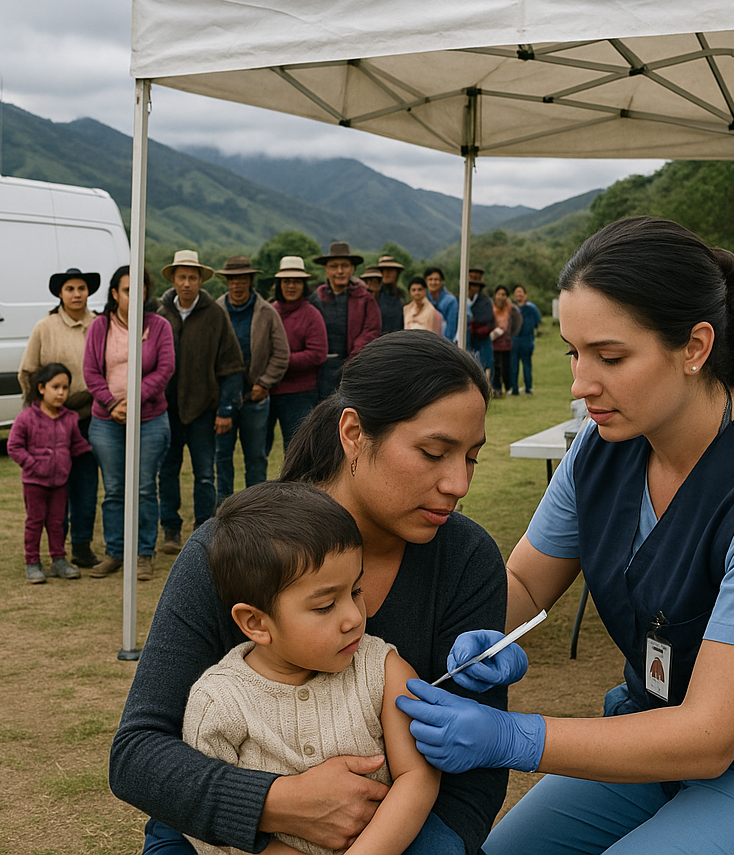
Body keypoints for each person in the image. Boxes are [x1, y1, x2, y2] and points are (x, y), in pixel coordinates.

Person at [397, 216, 734, 855]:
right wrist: (470, 640)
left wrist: (513, 737)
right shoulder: (601, 447)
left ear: (695, 347)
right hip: (652, 733)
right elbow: (522, 584)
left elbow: (710, 735)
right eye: (574, 352)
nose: (580, 384)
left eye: (611, 357)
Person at [109, 331, 509, 855]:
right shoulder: (232, 549)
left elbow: (469, 784)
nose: (458, 483)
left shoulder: (467, 561)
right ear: (353, 433)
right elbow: (139, 752)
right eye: (434, 452)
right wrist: (277, 802)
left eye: (472, 457)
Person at [181, 481, 440, 855]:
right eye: (324, 606)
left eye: (356, 591)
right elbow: (209, 822)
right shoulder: (218, 703)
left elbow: (418, 776)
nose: (353, 617)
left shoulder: (382, 669)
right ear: (255, 623)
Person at [84, 266, 175, 581]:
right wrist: (112, 403)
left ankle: (144, 554)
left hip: (149, 419)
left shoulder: (159, 326)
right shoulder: (99, 327)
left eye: (140, 289)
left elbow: (164, 369)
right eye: (126, 290)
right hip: (107, 421)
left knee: (145, 488)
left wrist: (133, 400)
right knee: (113, 489)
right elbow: (90, 372)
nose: (133, 295)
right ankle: (115, 552)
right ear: (114, 294)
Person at [157, 250, 244, 550]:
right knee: (166, 471)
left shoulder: (215, 314)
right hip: (165, 410)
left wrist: (226, 409)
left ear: (200, 280)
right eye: (182, 277)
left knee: (205, 473)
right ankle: (169, 530)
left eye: (192, 277)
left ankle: (203, 531)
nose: (187, 283)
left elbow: (232, 366)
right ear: (173, 279)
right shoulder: (160, 314)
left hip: (204, 409)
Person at [17, 266, 102, 567]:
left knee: (86, 484)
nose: (77, 294)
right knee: (53, 487)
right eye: (70, 289)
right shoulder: (45, 326)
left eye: (81, 288)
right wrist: (38, 413)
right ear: (60, 294)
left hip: (92, 415)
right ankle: (58, 551)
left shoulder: (100, 324)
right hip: (51, 418)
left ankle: (81, 546)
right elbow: (27, 371)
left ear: (89, 291)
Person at [214, 256, 290, 502]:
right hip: (223, 398)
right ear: (226, 282)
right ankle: (223, 512)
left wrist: (265, 382)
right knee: (222, 456)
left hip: (255, 397)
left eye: (242, 279)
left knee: (256, 457)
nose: (237, 285)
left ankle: (255, 511)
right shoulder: (216, 310)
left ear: (250, 280)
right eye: (232, 280)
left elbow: (281, 353)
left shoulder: (267, 312)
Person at [7, 362, 91, 583]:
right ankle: (32, 562)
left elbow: (77, 446)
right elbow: (14, 446)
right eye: (56, 387)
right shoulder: (26, 418)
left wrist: (97, 452)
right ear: (42, 388)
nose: (61, 393)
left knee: (57, 522)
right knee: (35, 521)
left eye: (65, 388)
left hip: (60, 483)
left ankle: (59, 561)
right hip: (34, 483)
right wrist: (32, 464)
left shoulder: (70, 419)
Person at [268, 256, 328, 452]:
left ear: (303, 285)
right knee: (259, 451)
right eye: (286, 281)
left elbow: (317, 354)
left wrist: (279, 361)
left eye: (296, 281)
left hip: (299, 394)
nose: (291, 286)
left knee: (297, 452)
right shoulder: (270, 311)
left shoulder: (311, 314)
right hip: (268, 391)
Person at [310, 242, 380, 400]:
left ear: (352, 269)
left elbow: (371, 331)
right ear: (326, 269)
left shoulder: (365, 299)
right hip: (319, 369)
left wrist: (351, 362)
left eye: (345, 266)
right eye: (334, 266)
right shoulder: (316, 298)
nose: (339, 271)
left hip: (351, 367)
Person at [509, 285, 541, 396]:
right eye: (516, 293)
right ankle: (514, 389)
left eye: (520, 292)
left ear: (525, 294)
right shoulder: (511, 309)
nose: (519, 294)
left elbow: (538, 322)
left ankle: (528, 388)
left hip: (527, 341)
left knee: (527, 365)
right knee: (513, 366)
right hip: (514, 341)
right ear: (514, 296)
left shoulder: (532, 308)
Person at [489, 286, 521, 398]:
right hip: (494, 342)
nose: (501, 297)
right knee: (495, 367)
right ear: (495, 295)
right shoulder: (491, 308)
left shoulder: (511, 309)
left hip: (507, 343)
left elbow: (518, 322)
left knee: (507, 366)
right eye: (499, 294)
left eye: (503, 294)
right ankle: (496, 388)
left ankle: (508, 387)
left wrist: (512, 334)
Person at [465, 270, 494, 380]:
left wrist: (473, 323)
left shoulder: (485, 301)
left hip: (482, 338)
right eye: (472, 285)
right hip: (466, 338)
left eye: (477, 285)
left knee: (485, 364)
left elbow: (487, 318)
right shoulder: (460, 299)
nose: (474, 288)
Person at [424, 266, 459, 344]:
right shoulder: (422, 298)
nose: (433, 283)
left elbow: (451, 327)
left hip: (443, 343)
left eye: (436, 279)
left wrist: (446, 345)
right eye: (430, 279)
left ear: (442, 282)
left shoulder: (450, 301)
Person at [376, 255, 406, 335]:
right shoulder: (375, 294)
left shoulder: (401, 295)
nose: (386, 274)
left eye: (390, 270)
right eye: (383, 271)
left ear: (397, 273)